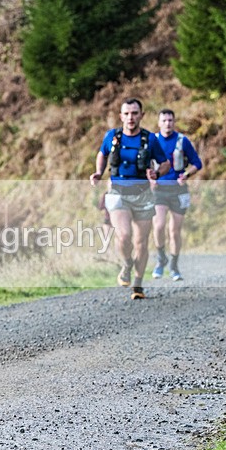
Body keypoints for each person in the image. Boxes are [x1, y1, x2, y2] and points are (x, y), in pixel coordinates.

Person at [90, 98, 170, 300]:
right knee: (124, 236)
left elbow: (165, 163)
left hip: (143, 193)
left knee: (140, 241)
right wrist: (99, 172)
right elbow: (102, 154)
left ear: (142, 115)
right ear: (121, 116)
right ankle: (126, 263)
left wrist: (157, 173)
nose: (130, 117)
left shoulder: (150, 139)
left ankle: (138, 284)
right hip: (118, 192)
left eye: (134, 113)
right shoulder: (112, 136)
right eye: (126, 113)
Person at [151, 109, 203, 281]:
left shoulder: (182, 141)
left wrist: (187, 175)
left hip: (178, 190)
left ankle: (174, 265)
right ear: (159, 123)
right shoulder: (153, 141)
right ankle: (160, 259)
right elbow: (143, 164)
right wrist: (150, 178)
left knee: (174, 230)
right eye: (164, 120)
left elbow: (197, 163)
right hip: (159, 189)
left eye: (170, 120)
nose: (167, 123)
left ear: (174, 122)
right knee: (158, 225)